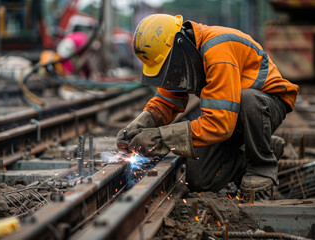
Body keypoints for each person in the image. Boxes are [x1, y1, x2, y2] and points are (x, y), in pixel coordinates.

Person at [116, 14, 300, 201]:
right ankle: (261, 149)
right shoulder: (184, 55)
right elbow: (166, 102)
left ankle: (261, 164)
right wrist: (140, 124)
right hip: (231, 113)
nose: (169, 71)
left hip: (266, 105)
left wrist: (160, 138)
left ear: (180, 45)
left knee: (247, 100)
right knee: (199, 179)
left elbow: (220, 125)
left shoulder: (217, 50)